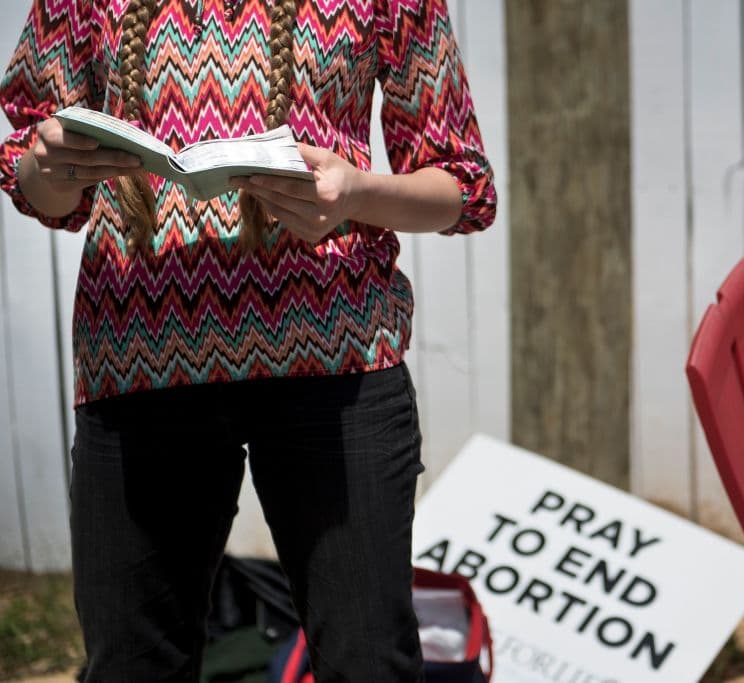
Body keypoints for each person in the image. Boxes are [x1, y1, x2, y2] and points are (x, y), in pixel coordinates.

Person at [0, 0, 495, 680]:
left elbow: (461, 187)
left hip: (337, 366)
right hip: (139, 362)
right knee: (130, 666)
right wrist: (47, 169)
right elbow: (45, 191)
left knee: (370, 662)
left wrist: (353, 193)